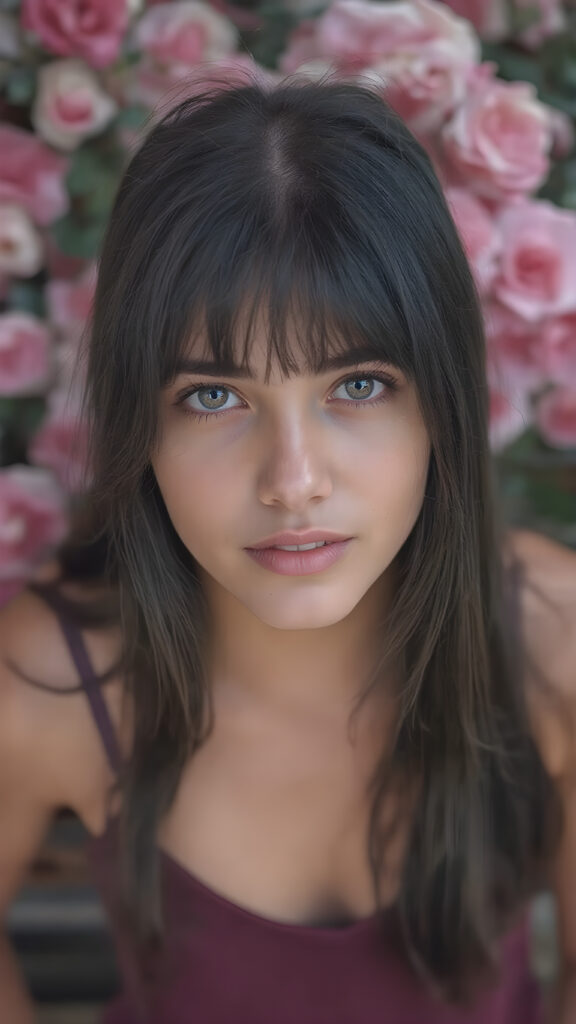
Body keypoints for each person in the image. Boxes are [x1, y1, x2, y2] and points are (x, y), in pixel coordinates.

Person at [0, 79, 575, 1024]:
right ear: (140, 422)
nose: (293, 478)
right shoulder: (59, 683)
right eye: (214, 397)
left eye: (358, 383)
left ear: (442, 400)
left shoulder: (554, 648)